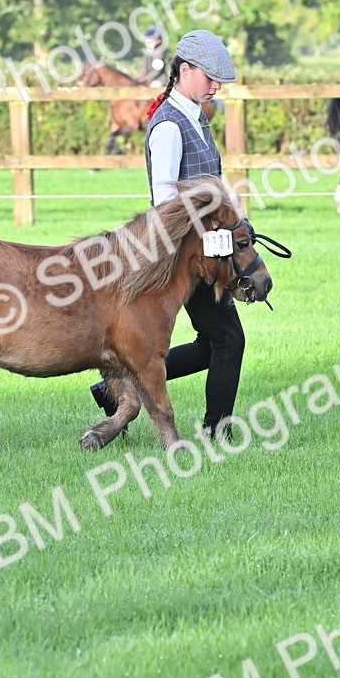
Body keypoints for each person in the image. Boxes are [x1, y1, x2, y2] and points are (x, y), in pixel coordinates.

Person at [90, 29, 243, 437]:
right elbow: (165, 206)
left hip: (208, 250)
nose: (216, 86)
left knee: (213, 344)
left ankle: (111, 390)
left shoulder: (195, 117)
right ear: (184, 70)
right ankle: (216, 431)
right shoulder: (170, 127)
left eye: (219, 80)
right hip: (184, 260)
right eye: (209, 77)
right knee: (229, 340)